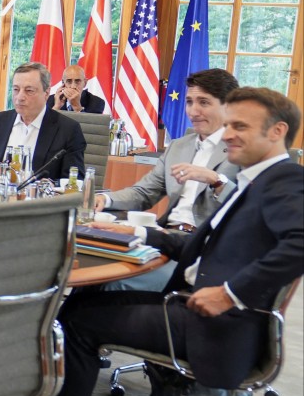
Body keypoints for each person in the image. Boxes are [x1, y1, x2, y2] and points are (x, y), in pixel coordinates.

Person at [0, 86, 303, 396]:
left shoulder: (285, 180)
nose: (227, 133)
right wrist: (137, 234)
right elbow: (205, 245)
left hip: (213, 325)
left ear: (277, 131)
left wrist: (229, 294)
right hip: (192, 305)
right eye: (228, 124)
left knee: (76, 323)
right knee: (80, 301)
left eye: (240, 126)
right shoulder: (255, 179)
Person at [95, 69, 241, 291]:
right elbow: (143, 193)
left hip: (202, 250)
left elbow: (247, 210)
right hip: (163, 238)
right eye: (190, 102)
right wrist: (105, 200)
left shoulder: (240, 150)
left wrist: (217, 181)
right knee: (95, 268)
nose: (194, 111)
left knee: (113, 282)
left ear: (228, 107)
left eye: (204, 102)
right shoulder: (178, 146)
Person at [0, 62, 86, 181]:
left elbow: (75, 180)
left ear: (47, 93)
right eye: (16, 89)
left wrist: (50, 185)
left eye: (29, 91)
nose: (20, 97)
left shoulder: (68, 130)